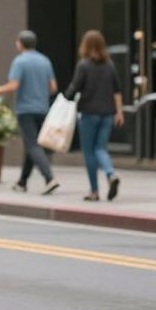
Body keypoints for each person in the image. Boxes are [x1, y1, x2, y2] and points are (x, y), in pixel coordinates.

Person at [0, 30, 60, 194]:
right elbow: (53, 88)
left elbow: (14, 85)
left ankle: (49, 178)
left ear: (20, 43)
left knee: (33, 145)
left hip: (25, 110)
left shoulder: (20, 61)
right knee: (32, 145)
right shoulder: (45, 60)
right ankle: (22, 182)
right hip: (42, 108)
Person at [64, 30, 123, 202]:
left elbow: (74, 88)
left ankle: (94, 191)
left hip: (89, 113)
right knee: (101, 148)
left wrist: (65, 97)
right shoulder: (109, 65)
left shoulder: (83, 65)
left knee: (90, 152)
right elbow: (117, 91)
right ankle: (110, 174)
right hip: (107, 114)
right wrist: (119, 112)